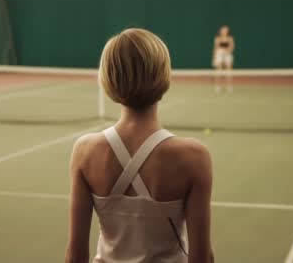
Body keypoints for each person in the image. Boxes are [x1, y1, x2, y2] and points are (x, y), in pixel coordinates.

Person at [65, 28, 214, 263]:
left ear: (108, 78)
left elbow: (75, 256)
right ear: (163, 75)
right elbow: (202, 258)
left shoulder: (85, 151)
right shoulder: (194, 157)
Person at [212, 25, 235, 92]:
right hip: (219, 55)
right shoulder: (217, 38)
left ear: (227, 31)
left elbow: (232, 47)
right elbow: (215, 48)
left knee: (229, 72)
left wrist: (227, 51)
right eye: (223, 30)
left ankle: (229, 86)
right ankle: (218, 87)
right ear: (220, 31)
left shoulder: (230, 38)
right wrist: (214, 57)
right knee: (218, 71)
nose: (224, 31)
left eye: (225, 30)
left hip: (228, 55)